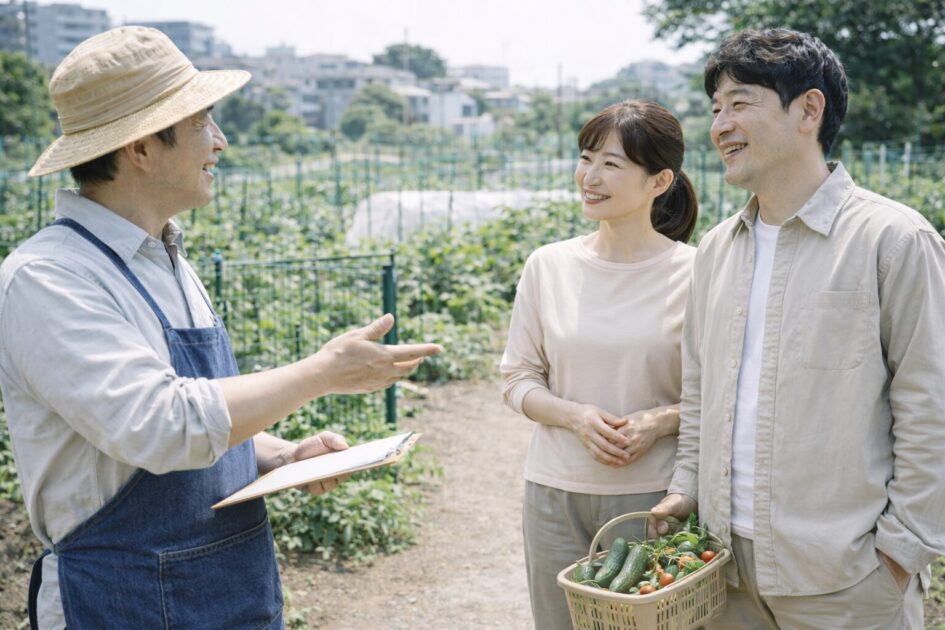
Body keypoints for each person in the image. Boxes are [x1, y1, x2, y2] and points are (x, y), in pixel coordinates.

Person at [0, 27, 441, 630]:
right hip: (120, 600)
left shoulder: (168, 259)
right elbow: (160, 424)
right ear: (142, 148)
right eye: (204, 122)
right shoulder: (48, 278)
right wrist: (323, 373)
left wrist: (282, 454)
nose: (221, 141)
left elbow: (199, 422)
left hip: (231, 587)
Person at [650, 28, 945, 629]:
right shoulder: (715, 251)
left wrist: (898, 554)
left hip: (848, 578)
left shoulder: (894, 240)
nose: (720, 125)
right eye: (715, 109)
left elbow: (931, 406)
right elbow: (700, 391)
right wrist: (686, 488)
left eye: (740, 103)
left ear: (809, 108)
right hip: (723, 571)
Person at [500, 99, 699, 629]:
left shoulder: (698, 273)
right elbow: (517, 379)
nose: (590, 176)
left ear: (659, 181)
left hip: (655, 502)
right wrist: (574, 416)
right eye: (586, 157)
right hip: (552, 494)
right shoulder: (548, 265)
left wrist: (659, 421)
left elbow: (721, 392)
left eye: (611, 163)